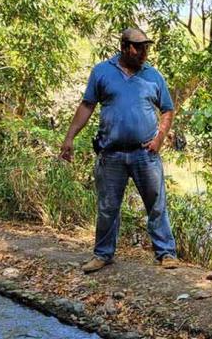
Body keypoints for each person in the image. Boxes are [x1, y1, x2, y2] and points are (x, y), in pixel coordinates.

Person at [59, 27, 179, 273]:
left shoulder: (153, 76)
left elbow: (167, 109)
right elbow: (87, 105)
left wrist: (159, 138)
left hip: (145, 153)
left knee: (156, 204)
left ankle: (165, 253)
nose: (144, 52)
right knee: (107, 206)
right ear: (126, 47)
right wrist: (69, 137)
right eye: (140, 47)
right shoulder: (102, 72)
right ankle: (103, 255)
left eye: (147, 47)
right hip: (111, 153)